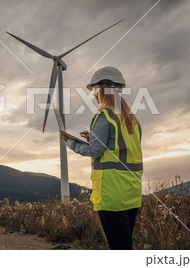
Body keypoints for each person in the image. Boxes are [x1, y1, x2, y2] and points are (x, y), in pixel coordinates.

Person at [60, 66, 143, 250]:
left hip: (111, 194)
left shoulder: (104, 116)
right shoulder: (132, 120)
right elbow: (122, 148)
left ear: (105, 90)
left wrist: (70, 143)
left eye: (96, 89)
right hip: (132, 193)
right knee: (124, 245)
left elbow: (94, 152)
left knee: (119, 249)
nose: (94, 95)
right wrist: (94, 139)